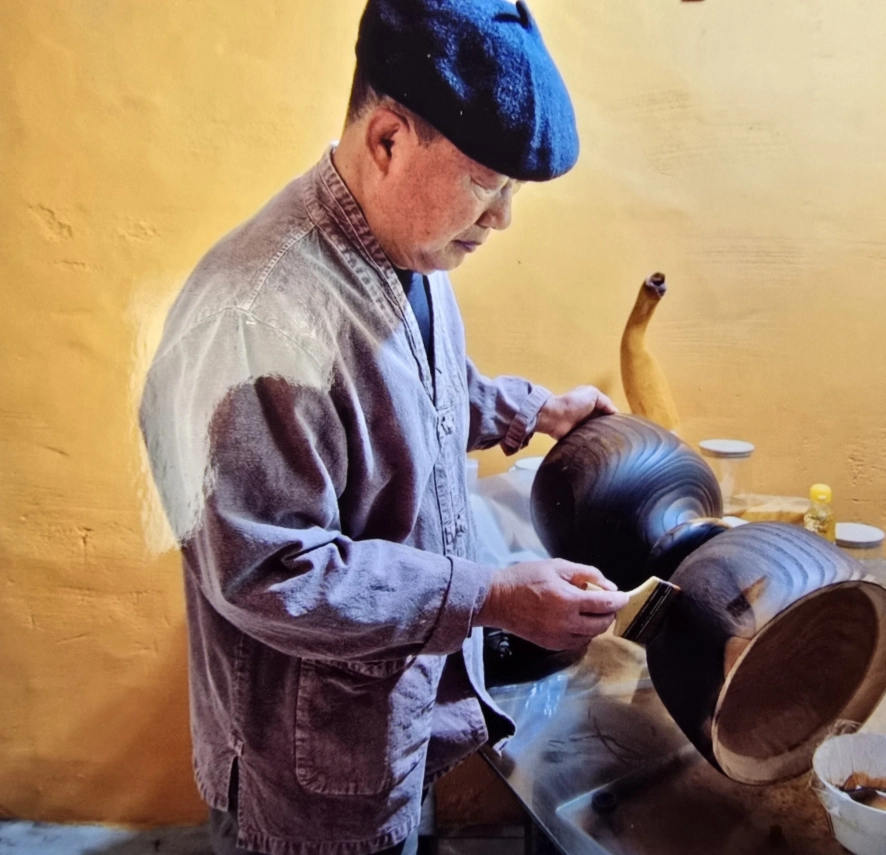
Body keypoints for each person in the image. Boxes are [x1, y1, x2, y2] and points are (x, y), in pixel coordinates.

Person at [138, 2, 629, 853]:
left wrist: (528, 410)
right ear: (388, 140)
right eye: (486, 181)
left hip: (387, 728)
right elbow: (269, 571)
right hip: (306, 778)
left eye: (512, 189)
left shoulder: (404, 244)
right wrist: (493, 595)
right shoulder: (261, 319)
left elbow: (403, 396)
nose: (502, 218)